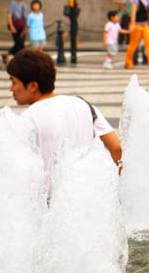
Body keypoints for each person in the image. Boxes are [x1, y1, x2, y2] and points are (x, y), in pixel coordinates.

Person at [7, 48, 122, 192]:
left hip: (49, 206)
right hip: (86, 198)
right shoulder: (83, 104)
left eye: (14, 82)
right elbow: (117, 148)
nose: (11, 88)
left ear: (33, 86)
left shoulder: (28, 119)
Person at [3, 0, 29, 65]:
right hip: (15, 26)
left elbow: (26, 17)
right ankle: (15, 58)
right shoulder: (13, 4)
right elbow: (9, 15)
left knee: (20, 45)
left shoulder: (24, 4)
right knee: (19, 44)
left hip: (23, 26)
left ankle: (9, 56)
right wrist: (11, 26)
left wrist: (25, 28)